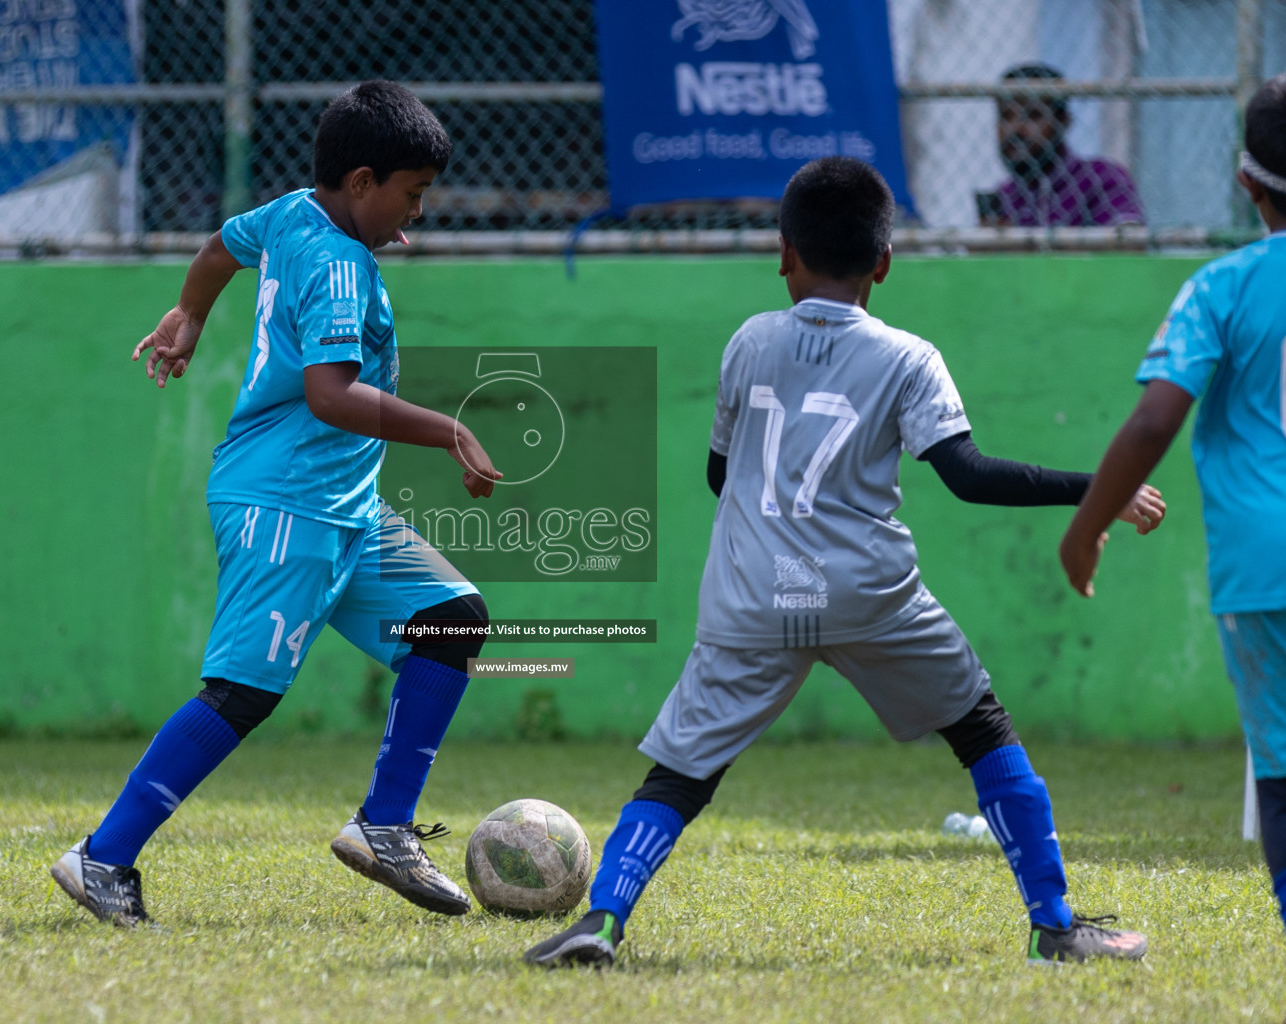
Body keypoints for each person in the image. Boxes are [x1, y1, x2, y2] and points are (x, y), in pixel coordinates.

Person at [525, 156, 1163, 969]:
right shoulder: (909, 356)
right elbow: (968, 477)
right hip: (870, 594)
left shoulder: (750, 340)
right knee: (981, 731)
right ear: (885, 264)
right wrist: (1093, 491)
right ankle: (1054, 924)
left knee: (683, 773)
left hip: (751, 595)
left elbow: (722, 476)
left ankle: (603, 921)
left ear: (783, 252)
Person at [49, 80, 503, 927]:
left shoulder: (295, 211)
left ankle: (385, 826)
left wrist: (189, 313)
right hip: (286, 501)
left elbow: (221, 247)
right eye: (410, 194)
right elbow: (329, 395)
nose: (413, 217)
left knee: (451, 619)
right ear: (361, 181)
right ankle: (102, 857)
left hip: (345, 503)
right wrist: (447, 431)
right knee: (241, 692)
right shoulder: (337, 263)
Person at [1061, 73, 1286, 935]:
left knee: (1281, 767)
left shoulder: (1220, 289)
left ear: (1246, 181)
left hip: (1263, 571)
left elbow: (1158, 415)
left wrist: (1085, 532)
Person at [979, 63, 1145, 228]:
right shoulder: (1006, 195)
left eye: (1033, 115)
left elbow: (1131, 245)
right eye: (1006, 116)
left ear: (1062, 121)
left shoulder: (1101, 179)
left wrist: (1021, 249)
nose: (1015, 129)